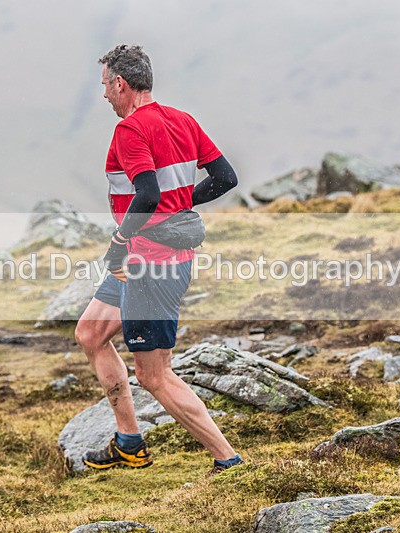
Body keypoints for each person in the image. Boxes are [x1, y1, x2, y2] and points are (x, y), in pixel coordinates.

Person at [75, 44, 242, 476]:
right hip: (140, 258)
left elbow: (148, 195)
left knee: (155, 374)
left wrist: (119, 238)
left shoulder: (130, 130)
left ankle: (230, 461)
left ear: (121, 84)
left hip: (152, 265)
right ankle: (129, 443)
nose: (105, 96)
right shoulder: (183, 120)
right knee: (92, 333)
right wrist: (181, 201)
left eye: (105, 86)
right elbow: (225, 178)